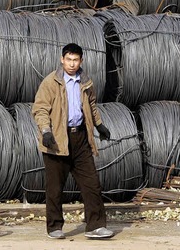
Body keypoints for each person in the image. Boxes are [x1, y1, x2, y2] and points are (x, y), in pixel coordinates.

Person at [31, 43, 114, 240]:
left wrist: (99, 125)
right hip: (57, 140)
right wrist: (46, 131)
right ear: (62, 59)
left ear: (81, 61)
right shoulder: (51, 82)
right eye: (68, 59)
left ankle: (95, 226)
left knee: (92, 184)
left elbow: (91, 105)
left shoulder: (86, 82)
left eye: (75, 60)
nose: (72, 63)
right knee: (55, 187)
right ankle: (54, 227)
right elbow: (40, 108)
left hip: (80, 139)